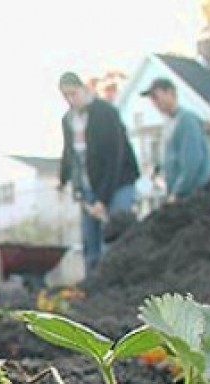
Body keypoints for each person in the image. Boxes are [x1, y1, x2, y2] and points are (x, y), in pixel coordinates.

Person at [58, 71, 140, 274]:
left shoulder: (106, 113)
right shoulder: (68, 120)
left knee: (113, 240)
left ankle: (118, 285)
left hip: (118, 183)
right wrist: (63, 179)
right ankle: (92, 291)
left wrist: (102, 200)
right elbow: (69, 153)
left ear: (84, 89)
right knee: (90, 243)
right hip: (88, 187)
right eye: (65, 96)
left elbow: (115, 158)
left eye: (73, 94)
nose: (70, 100)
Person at [141, 78, 210, 203]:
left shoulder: (186, 120)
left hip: (195, 196)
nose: (154, 102)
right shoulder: (169, 123)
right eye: (151, 99)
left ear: (170, 93)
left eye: (156, 96)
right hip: (179, 195)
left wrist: (177, 192)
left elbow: (192, 162)